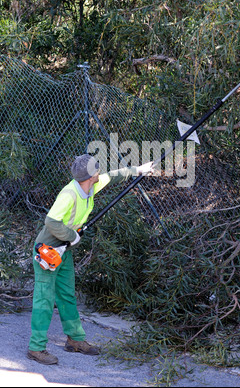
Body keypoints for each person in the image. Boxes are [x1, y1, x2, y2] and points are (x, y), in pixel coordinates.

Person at [27, 154, 153, 365]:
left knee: (67, 294)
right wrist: (72, 236)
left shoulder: (90, 185)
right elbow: (51, 222)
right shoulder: (69, 194)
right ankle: (36, 348)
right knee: (44, 299)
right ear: (91, 175)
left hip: (63, 250)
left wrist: (139, 169)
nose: (99, 172)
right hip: (47, 251)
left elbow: (113, 176)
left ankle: (75, 339)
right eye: (97, 169)